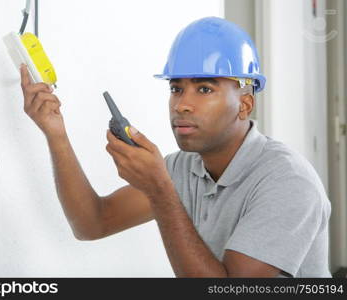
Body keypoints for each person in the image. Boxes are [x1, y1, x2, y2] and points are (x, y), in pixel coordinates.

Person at [19, 17, 331, 277]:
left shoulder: (289, 183)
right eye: (176, 88)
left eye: (204, 88)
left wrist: (159, 190)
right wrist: (55, 134)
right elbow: (93, 222)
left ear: (244, 104)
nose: (182, 105)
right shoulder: (184, 168)